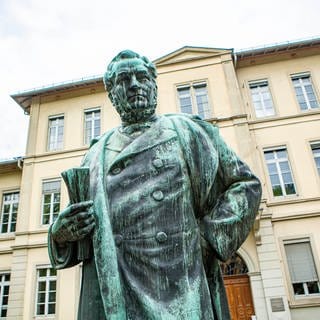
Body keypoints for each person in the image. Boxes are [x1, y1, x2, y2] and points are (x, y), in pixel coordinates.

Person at [48, 50, 262, 320]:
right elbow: (80, 225)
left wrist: (208, 237)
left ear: (153, 85)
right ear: (112, 93)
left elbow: (246, 184)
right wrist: (60, 233)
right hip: (116, 293)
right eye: (124, 79)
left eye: (142, 77)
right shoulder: (94, 155)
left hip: (179, 286)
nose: (135, 84)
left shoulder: (190, 133)